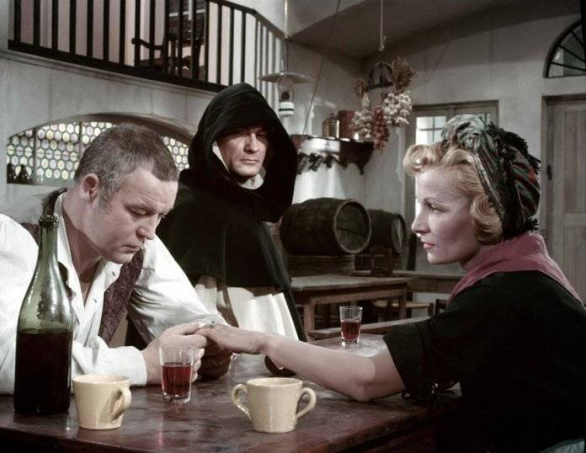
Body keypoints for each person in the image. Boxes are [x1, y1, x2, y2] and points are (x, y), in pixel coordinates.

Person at [198, 115, 586, 452]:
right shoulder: (527, 270)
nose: (417, 225)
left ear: (487, 212)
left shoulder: (502, 293)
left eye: (435, 208)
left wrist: (265, 341)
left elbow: (367, 381)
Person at [0, 123, 231, 401]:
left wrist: (217, 341)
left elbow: (189, 318)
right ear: (91, 189)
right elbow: (11, 364)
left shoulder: (136, 242)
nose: (150, 231)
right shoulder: (5, 235)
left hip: (55, 423)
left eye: (161, 216)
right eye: (138, 211)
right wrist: (142, 364)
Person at [157, 83, 305, 342]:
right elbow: (188, 318)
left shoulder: (246, 206)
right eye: (238, 133)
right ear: (214, 140)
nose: (253, 146)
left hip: (269, 354)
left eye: (261, 135)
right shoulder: (191, 209)